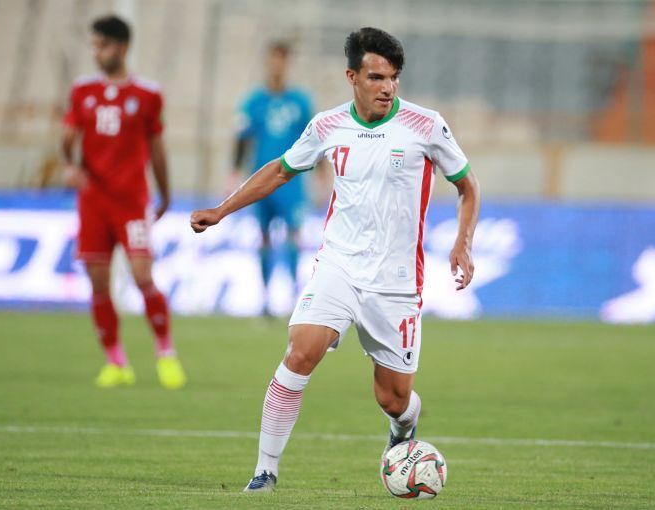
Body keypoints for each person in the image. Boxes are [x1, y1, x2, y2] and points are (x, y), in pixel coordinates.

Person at [190, 27, 479, 493]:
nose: (388, 87)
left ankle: (403, 429)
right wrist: (222, 210)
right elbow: (281, 170)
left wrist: (462, 242)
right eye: (377, 77)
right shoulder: (327, 125)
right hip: (339, 266)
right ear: (352, 77)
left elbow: (467, 185)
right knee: (300, 352)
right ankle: (265, 472)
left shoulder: (425, 125)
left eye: (394, 78)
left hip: (396, 282)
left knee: (394, 398)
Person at [62, 15, 186, 389]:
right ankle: (116, 361)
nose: (97, 53)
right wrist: (69, 167)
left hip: (132, 201)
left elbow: (157, 147)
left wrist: (165, 191)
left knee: (142, 274)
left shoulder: (147, 94)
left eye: (103, 45)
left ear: (122, 47)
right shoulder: (82, 91)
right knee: (98, 282)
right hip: (93, 201)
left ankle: (165, 352)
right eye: (95, 46)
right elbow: (67, 138)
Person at [229, 42, 314, 316]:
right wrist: (234, 172)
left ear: (287, 64)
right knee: (264, 237)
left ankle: (293, 297)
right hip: (261, 180)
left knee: (293, 236)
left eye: (282, 60)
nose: (277, 65)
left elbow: (315, 139)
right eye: (274, 59)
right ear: (268, 62)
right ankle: (265, 299)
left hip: (292, 182)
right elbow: (242, 138)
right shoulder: (254, 101)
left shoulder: (300, 102)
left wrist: (323, 176)